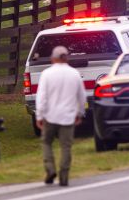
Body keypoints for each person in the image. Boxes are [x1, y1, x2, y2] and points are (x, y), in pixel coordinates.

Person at [36, 46, 86, 187]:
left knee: (46, 142)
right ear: (66, 58)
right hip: (67, 116)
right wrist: (79, 113)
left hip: (50, 116)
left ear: (53, 58)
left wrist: (39, 115)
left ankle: (50, 169)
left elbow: (42, 97)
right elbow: (81, 96)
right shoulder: (74, 74)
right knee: (66, 146)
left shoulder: (47, 74)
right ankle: (64, 175)